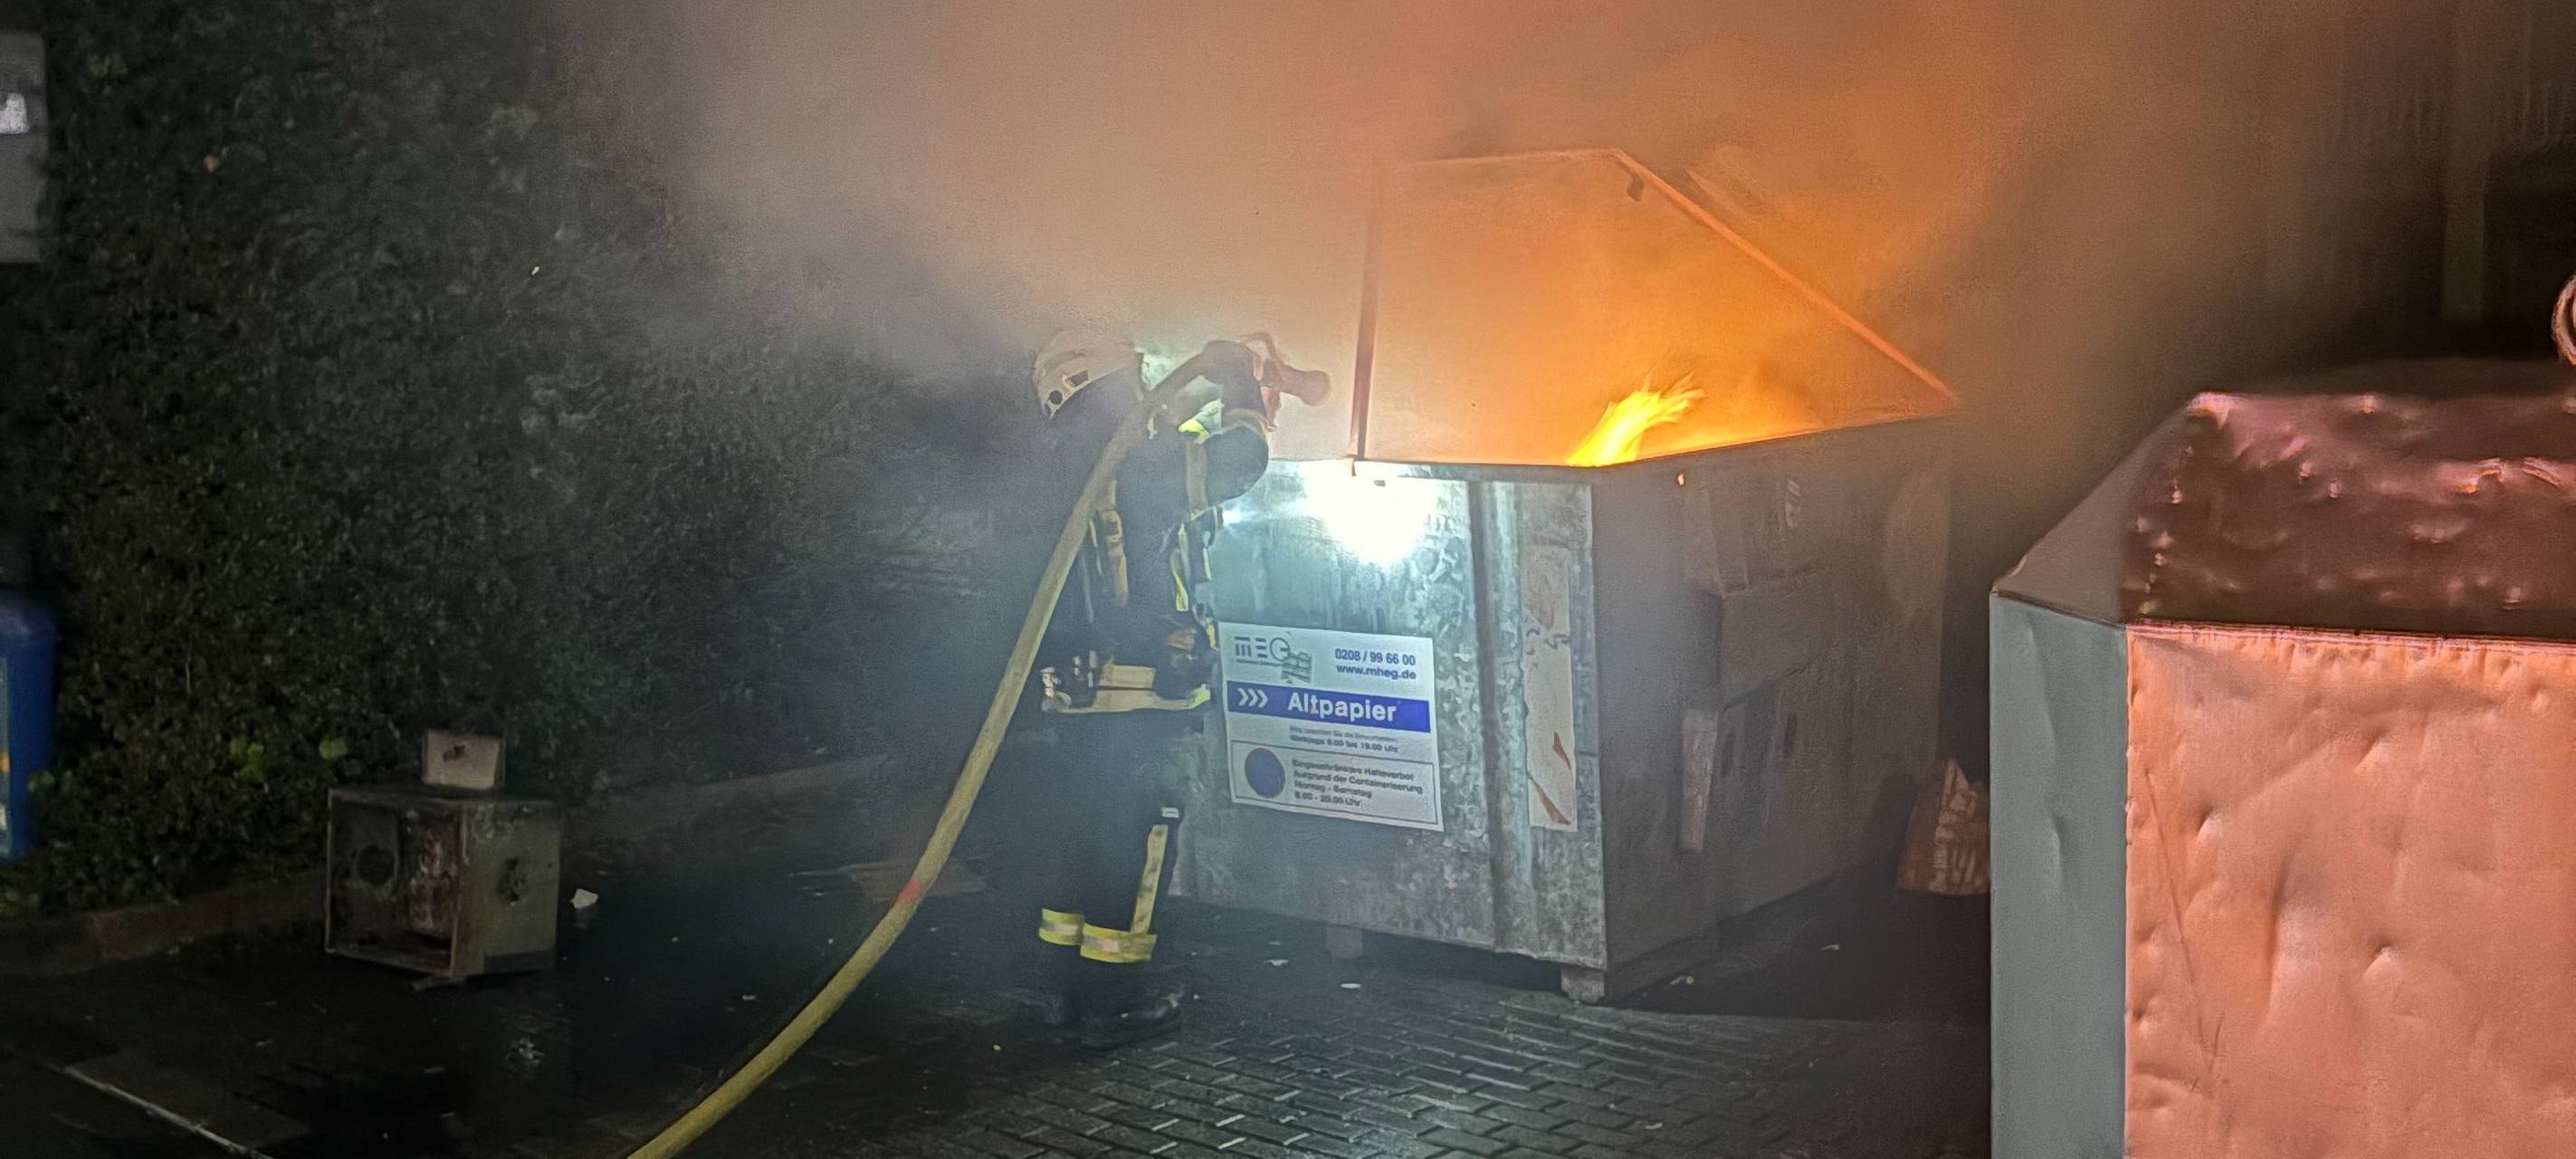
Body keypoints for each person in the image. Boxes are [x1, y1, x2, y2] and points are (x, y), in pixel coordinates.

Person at [1023, 330, 1322, 1049]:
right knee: (1136, 840)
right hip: (1140, 692)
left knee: (1083, 838)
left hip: (1080, 692)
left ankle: (1064, 993)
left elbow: (1172, 441)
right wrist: (1241, 394)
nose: (1145, 389)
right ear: (1103, 387)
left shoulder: (1061, 464)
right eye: (1135, 379)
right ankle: (1116, 1001)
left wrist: (1218, 381)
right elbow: (1239, 462)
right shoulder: (1133, 463)